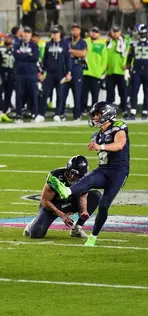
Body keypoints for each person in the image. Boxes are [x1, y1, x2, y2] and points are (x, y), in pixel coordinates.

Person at [50, 102, 129, 247]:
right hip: (103, 169)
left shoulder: (119, 126)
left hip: (118, 172)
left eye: (98, 114)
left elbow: (119, 145)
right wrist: (97, 145)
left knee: (104, 205)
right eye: (94, 115)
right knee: (88, 179)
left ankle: (93, 236)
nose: (95, 118)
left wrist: (101, 146)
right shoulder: (97, 135)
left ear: (107, 114)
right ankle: (66, 191)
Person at [24, 156, 101, 239]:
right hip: (52, 206)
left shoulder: (85, 179)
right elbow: (45, 200)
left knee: (96, 195)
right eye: (70, 172)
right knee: (36, 233)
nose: (71, 176)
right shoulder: (55, 177)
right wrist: (61, 215)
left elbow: (83, 195)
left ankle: (77, 228)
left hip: (70, 202)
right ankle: (33, 224)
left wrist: (84, 211)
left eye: (75, 175)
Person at [57, 24, 87, 121]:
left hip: (77, 68)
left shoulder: (82, 42)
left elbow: (83, 53)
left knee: (77, 94)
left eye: (76, 30)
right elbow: (63, 52)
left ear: (80, 31)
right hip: (66, 69)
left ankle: (77, 115)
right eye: (73, 30)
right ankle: (61, 113)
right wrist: (75, 52)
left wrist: (71, 51)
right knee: (63, 93)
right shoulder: (67, 41)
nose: (74, 32)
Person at [39, 26, 70, 120]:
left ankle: (58, 114)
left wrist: (68, 72)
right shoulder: (48, 44)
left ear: (60, 33)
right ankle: (41, 114)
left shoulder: (65, 44)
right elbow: (45, 58)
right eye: (53, 33)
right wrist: (41, 71)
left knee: (60, 94)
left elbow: (68, 59)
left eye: (56, 33)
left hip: (60, 73)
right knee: (45, 94)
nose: (55, 35)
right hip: (49, 73)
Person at [12, 26, 40, 122]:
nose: (26, 34)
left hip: (31, 73)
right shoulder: (17, 44)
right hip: (19, 73)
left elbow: (35, 57)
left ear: (31, 34)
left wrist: (22, 55)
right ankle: (18, 115)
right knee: (19, 95)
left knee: (33, 95)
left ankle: (34, 114)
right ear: (22, 34)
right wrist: (28, 55)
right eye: (25, 32)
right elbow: (16, 56)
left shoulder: (34, 45)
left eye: (28, 33)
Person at [104, 25, 128, 114]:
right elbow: (104, 53)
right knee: (110, 92)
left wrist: (126, 65)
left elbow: (127, 53)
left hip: (120, 70)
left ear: (120, 32)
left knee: (122, 92)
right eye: (114, 31)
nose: (115, 33)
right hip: (110, 70)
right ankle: (109, 111)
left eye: (117, 31)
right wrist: (104, 65)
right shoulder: (107, 41)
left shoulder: (125, 41)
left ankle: (124, 109)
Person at [83, 27, 107, 112]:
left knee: (95, 94)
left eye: (96, 32)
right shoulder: (84, 41)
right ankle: (84, 109)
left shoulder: (102, 44)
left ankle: (94, 111)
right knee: (83, 93)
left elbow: (104, 60)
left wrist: (100, 71)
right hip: (85, 72)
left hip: (96, 74)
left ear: (99, 34)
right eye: (92, 31)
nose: (94, 33)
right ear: (90, 32)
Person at [0, 33, 14, 122]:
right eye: (6, 38)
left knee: (8, 95)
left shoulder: (15, 49)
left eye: (10, 38)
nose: (8, 39)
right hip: (1, 74)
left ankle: (4, 113)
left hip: (11, 74)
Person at [128, 24, 148, 120]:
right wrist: (127, 69)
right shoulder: (133, 44)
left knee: (146, 92)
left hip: (145, 71)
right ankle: (133, 112)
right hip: (137, 71)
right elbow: (129, 58)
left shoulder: (134, 44)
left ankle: (145, 112)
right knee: (134, 92)